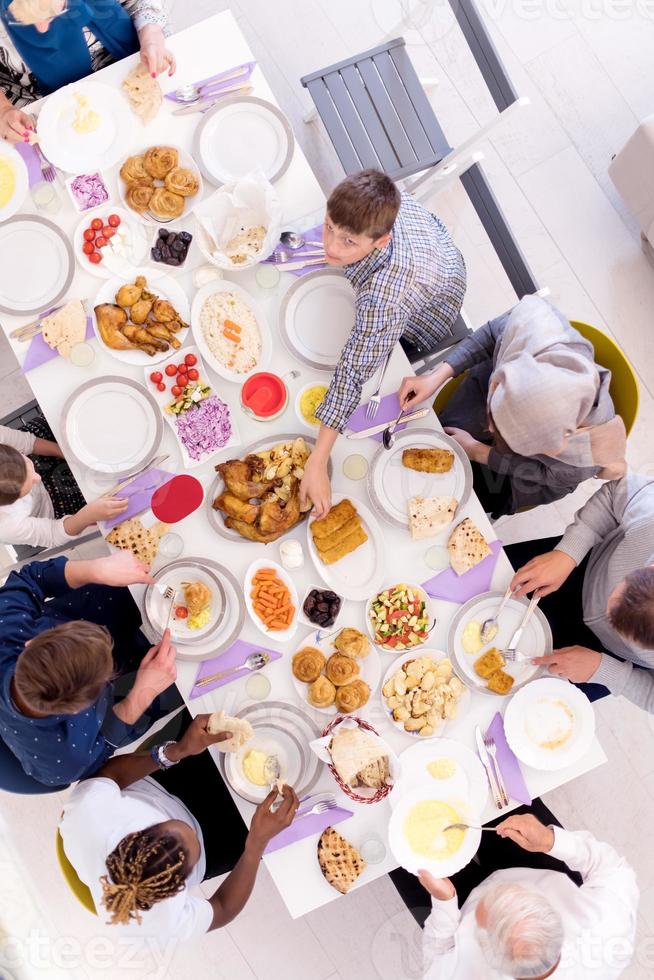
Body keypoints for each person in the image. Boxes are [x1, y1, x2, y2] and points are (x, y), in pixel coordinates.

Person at [300, 169, 466, 516]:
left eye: (348, 241)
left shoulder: (383, 300)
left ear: (380, 240)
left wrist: (318, 461)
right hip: (434, 250)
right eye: (329, 226)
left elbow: (352, 374)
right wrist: (344, 241)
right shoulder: (374, 204)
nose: (329, 246)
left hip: (429, 312)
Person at [60, 710, 300, 942]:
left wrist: (177, 750)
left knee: (220, 719)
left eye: (163, 828)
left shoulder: (88, 815)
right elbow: (223, 907)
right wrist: (255, 846)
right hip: (214, 843)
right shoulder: (160, 924)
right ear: (179, 888)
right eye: (187, 852)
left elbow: (112, 776)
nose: (187, 830)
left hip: (164, 785)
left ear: (134, 834)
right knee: (291, 817)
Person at [398, 295, 627, 517]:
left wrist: (479, 451)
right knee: (435, 442)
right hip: (491, 393)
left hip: (527, 475)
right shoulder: (532, 324)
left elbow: (541, 472)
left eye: (496, 433)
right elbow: (489, 334)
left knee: (458, 497)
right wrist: (437, 377)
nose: (488, 429)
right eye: (493, 424)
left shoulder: (586, 458)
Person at [392, 802, 638, 979]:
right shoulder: (606, 927)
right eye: (519, 896)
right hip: (531, 862)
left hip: (457, 903)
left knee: (394, 839)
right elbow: (612, 869)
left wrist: (443, 902)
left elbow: (436, 959)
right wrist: (550, 840)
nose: (500, 889)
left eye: (490, 909)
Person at [0, 550, 178, 787]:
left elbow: (30, 579)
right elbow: (106, 745)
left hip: (81, 612)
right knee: (188, 682)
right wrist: (141, 692)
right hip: (119, 708)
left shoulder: (5, 627)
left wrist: (96, 568)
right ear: (85, 704)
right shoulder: (66, 761)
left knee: (151, 575)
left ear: (32, 643)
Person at [507, 470, 654, 711]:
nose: (606, 614)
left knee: (521, 710)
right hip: (577, 569)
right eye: (618, 591)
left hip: (608, 659)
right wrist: (568, 552)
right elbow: (616, 493)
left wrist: (608, 672)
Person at [0, 0, 174, 141]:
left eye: (54, 12)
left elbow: (141, 4)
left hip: (129, 72)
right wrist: (4, 110)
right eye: (20, 20)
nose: (42, 29)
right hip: (40, 99)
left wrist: (151, 35)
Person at [0, 423, 128, 548]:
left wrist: (71, 455)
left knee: (73, 427)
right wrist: (87, 515)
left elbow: (28, 442)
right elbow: (53, 534)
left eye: (25, 463)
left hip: (35, 452)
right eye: (24, 492)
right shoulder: (5, 527)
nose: (37, 478)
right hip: (51, 503)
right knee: (113, 494)